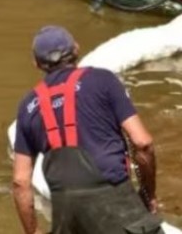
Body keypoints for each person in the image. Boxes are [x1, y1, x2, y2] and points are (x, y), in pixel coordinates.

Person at [11, 26, 162, 234]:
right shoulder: (103, 80)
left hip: (66, 213)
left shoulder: (27, 106)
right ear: (76, 49)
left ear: (36, 64)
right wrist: (149, 193)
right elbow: (142, 143)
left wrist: (33, 231)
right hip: (114, 202)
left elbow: (20, 182)